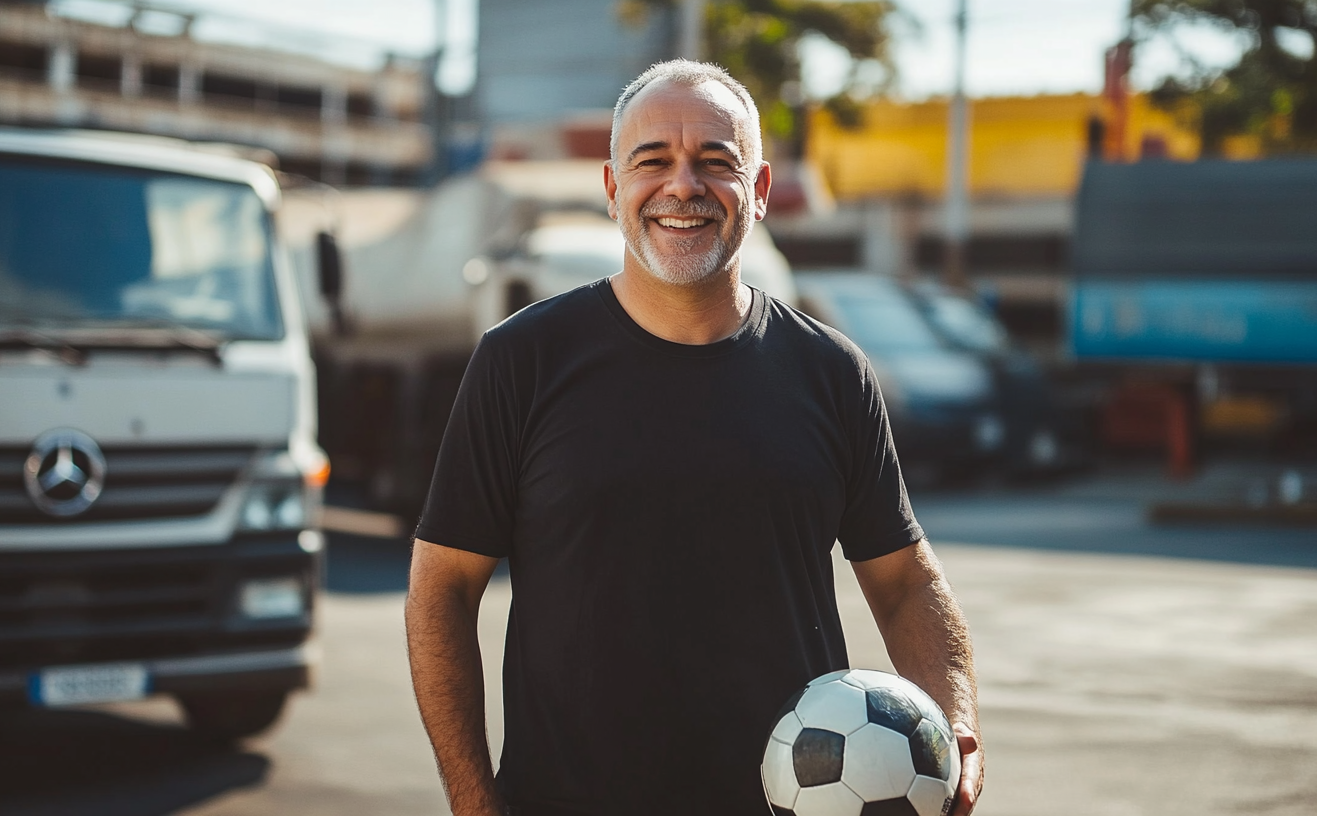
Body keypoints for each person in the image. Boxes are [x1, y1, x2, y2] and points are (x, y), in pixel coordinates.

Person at [406, 59, 983, 816]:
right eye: (654, 161)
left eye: (717, 162)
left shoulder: (831, 371)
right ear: (614, 190)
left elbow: (905, 580)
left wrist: (957, 723)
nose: (684, 185)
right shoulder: (522, 360)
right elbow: (442, 588)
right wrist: (475, 803)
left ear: (762, 192)